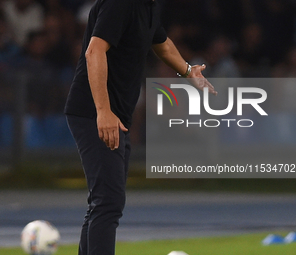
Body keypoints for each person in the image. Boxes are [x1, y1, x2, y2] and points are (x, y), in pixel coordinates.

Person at [64, 0, 217, 255]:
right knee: (108, 202)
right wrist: (103, 111)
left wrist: (190, 72)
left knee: (103, 202)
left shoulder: (150, 6)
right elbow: (94, 51)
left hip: (116, 115)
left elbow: (163, 45)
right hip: (94, 112)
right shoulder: (121, 4)